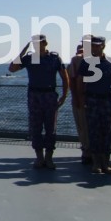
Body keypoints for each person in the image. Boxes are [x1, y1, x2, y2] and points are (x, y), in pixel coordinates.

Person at [8, 34, 69, 169]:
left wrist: (64, 96)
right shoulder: (29, 58)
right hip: (34, 96)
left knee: (50, 128)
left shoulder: (54, 58)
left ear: (45, 43)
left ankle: (49, 157)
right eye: (34, 43)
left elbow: (65, 78)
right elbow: (12, 69)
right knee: (35, 127)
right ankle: (39, 157)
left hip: (50, 95)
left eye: (40, 43)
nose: (37, 45)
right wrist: (23, 50)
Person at [76, 36, 111, 174]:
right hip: (92, 100)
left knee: (108, 131)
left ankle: (106, 161)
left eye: (98, 46)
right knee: (93, 131)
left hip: (107, 100)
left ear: (103, 46)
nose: (95, 48)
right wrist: (81, 99)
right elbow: (80, 82)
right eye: (93, 46)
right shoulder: (86, 62)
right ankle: (96, 161)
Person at [68, 42, 90, 164]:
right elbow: (71, 80)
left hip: (94, 99)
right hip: (79, 98)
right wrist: (76, 98)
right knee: (82, 126)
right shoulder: (75, 61)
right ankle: (86, 151)